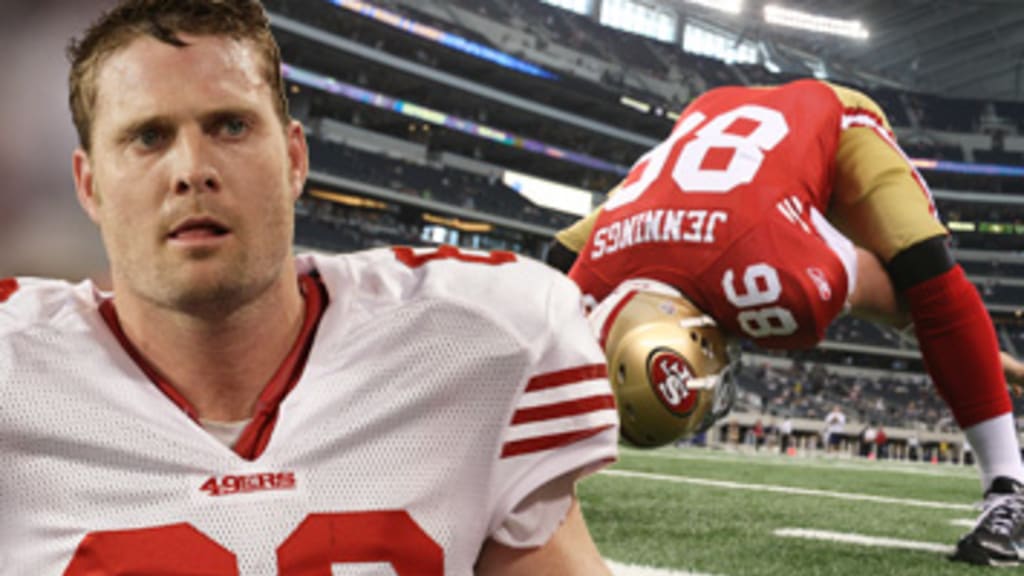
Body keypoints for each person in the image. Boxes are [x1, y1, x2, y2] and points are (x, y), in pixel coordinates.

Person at [0, 1, 620, 573]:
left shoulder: (475, 342)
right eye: (148, 137)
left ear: (295, 158)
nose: (192, 171)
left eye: (230, 126)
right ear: (88, 186)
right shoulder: (14, 370)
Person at [546, 78, 1024, 565]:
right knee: (553, 273)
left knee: (924, 266)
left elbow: (880, 292)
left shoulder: (769, 278)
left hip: (831, 120)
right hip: (708, 124)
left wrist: (974, 351)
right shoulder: (581, 283)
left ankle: (1009, 485)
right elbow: (558, 260)